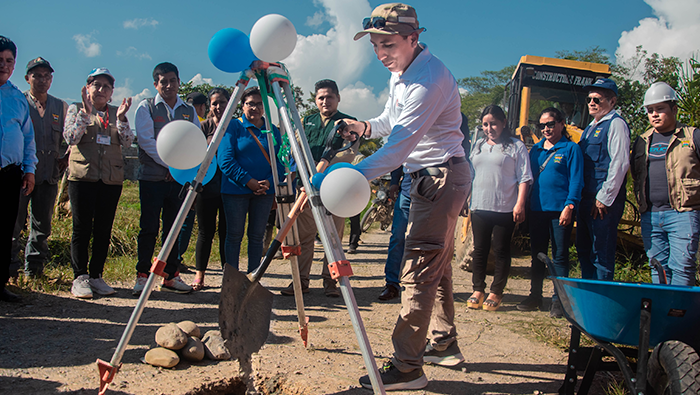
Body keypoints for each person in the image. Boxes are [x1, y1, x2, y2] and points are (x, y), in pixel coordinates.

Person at [343, 4, 470, 390]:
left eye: (389, 44)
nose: (382, 54)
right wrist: (365, 126)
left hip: (440, 177)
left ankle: (407, 367)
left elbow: (397, 149)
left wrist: (347, 176)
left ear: (413, 39)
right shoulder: (402, 73)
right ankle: (443, 343)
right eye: (376, 46)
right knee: (437, 263)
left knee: (418, 267)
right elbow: (389, 122)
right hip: (428, 177)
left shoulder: (427, 81)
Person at [279, 79, 358, 298]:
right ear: (315, 99)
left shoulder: (348, 123)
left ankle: (331, 283)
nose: (325, 101)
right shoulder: (305, 120)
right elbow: (294, 150)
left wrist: (321, 170)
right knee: (304, 238)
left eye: (329, 97)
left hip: (336, 189)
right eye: (321, 97)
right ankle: (301, 281)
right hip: (306, 189)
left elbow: (348, 153)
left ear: (338, 98)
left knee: (333, 239)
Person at [63, 68, 133, 298]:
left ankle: (96, 275)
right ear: (87, 88)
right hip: (83, 176)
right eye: (97, 85)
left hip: (110, 179)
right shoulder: (76, 109)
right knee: (81, 228)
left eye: (106, 86)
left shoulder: (117, 112)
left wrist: (122, 119)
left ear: (112, 93)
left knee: (103, 229)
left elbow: (128, 142)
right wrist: (85, 112)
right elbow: (71, 138)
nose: (101, 90)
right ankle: (80, 276)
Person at [133, 62, 200, 295]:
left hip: (178, 182)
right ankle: (143, 275)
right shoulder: (146, 107)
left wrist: (181, 169)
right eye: (163, 81)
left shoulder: (189, 111)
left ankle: (170, 275)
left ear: (179, 82)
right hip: (152, 179)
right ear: (156, 84)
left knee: (174, 229)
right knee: (149, 227)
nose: (169, 85)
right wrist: (172, 164)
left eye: (173, 80)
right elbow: (146, 141)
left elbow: (195, 140)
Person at [631, 82, 700, 286]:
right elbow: (637, 174)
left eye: (660, 108)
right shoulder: (642, 141)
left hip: (683, 213)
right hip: (650, 215)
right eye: (650, 110)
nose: (654, 114)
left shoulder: (692, 136)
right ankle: (662, 315)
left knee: (682, 267)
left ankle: (679, 315)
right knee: (658, 267)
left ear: (674, 109)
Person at [517, 107, 583, 318]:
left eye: (550, 124)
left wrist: (569, 206)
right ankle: (535, 296)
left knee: (560, 256)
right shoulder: (535, 151)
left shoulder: (571, 149)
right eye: (542, 125)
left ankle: (559, 301)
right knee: (537, 255)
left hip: (559, 212)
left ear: (562, 123)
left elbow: (576, 180)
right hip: (537, 210)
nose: (546, 128)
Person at [468, 105, 532, 312]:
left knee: (501, 250)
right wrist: (465, 200)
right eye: (485, 124)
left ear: (504, 123)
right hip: (479, 205)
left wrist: (520, 203)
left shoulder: (516, 147)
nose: (489, 128)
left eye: (493, 123)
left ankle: (497, 291)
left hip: (505, 207)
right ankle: (478, 289)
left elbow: (524, 178)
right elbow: (470, 175)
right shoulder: (477, 145)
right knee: (480, 250)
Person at [11, 57, 68, 279]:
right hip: (22, 174)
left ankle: (34, 272)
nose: (42, 80)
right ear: (27, 79)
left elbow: (72, 136)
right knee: (14, 224)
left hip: (48, 175)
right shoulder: (19, 102)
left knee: (42, 226)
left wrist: (66, 157)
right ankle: (9, 271)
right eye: (37, 75)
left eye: (47, 76)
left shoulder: (60, 106)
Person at [218, 87, 285, 273]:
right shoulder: (233, 126)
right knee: (234, 236)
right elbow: (225, 160)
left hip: (264, 192)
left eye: (258, 104)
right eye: (250, 104)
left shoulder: (272, 130)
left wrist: (269, 182)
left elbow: (281, 161)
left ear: (264, 107)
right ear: (242, 106)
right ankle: (231, 278)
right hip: (235, 192)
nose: (254, 107)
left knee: (257, 237)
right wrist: (249, 181)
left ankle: (253, 277)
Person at [577, 78, 630, 281]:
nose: (591, 103)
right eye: (589, 99)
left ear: (612, 101)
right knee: (584, 250)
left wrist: (604, 197)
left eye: (597, 100)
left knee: (601, 255)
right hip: (586, 199)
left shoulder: (616, 124)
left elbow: (620, 163)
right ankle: (589, 300)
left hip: (602, 203)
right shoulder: (590, 127)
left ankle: (602, 304)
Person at [0, 36, 38, 303]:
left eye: (9, 60)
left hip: (9, 173)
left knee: (5, 229)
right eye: (0, 60)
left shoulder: (17, 98)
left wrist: (29, 169)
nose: (4, 65)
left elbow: (27, 138)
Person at [191, 87, 228, 290]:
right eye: (214, 103)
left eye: (222, 102)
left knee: (226, 232)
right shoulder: (202, 127)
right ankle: (200, 275)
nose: (218, 106)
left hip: (229, 188)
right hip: (206, 188)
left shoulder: (234, 126)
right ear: (209, 106)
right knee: (205, 232)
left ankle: (227, 275)